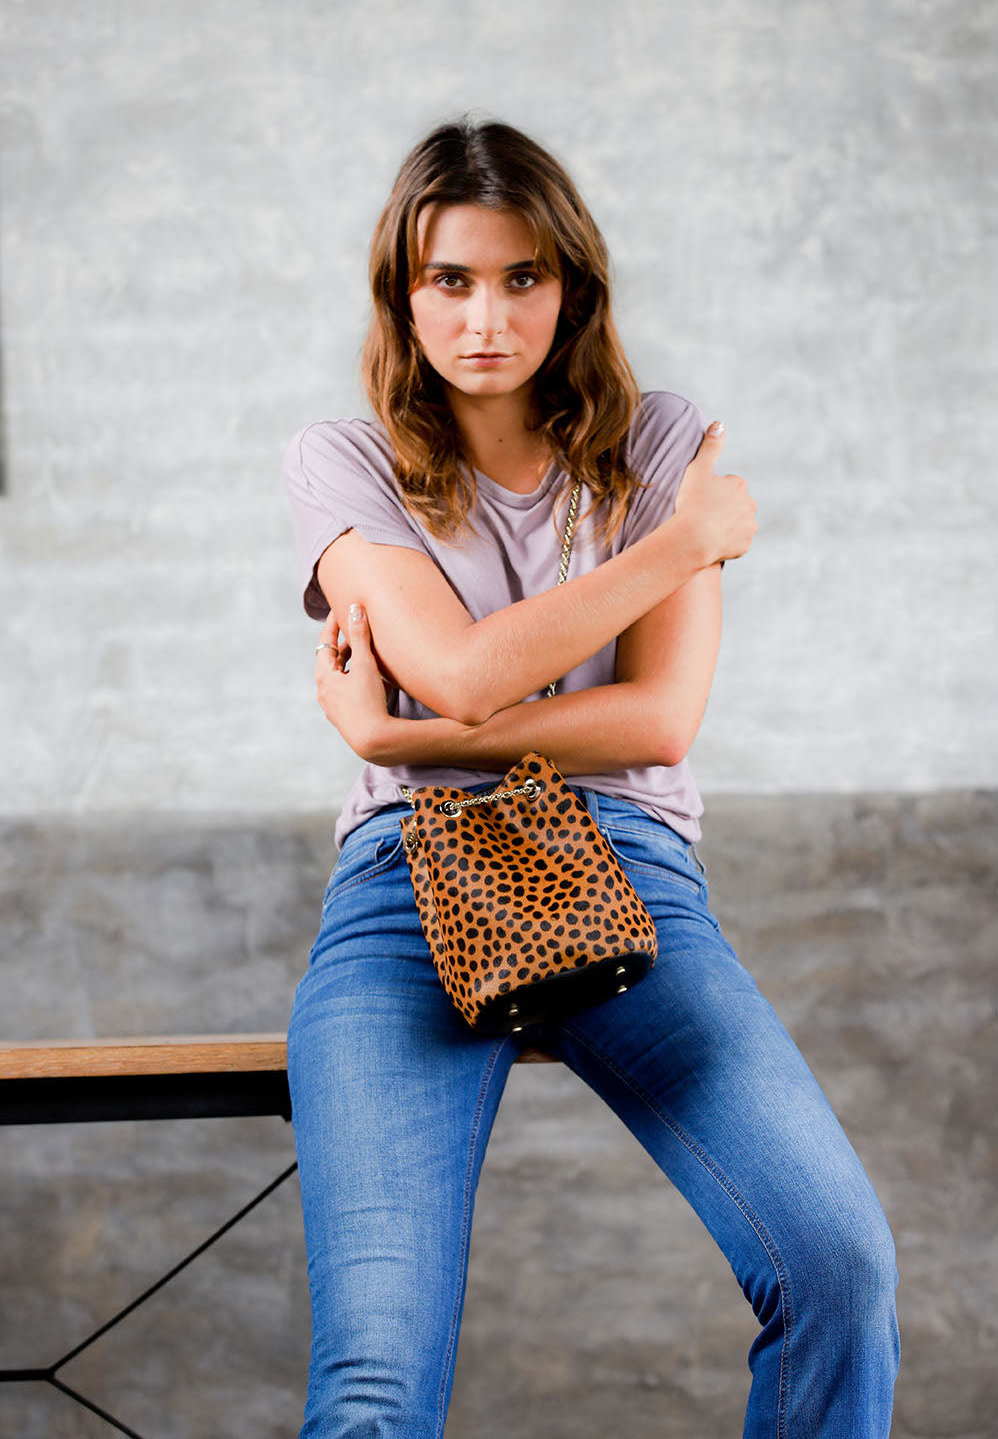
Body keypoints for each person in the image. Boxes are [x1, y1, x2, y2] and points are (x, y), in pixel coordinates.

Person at [282, 119, 899, 1439]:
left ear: (572, 289)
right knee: (374, 1381)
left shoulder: (659, 439)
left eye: (522, 278)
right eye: (449, 280)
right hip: (404, 888)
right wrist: (678, 549)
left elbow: (658, 720)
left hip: (628, 868)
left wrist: (395, 742)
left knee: (839, 1268)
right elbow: (460, 674)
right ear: (402, 294)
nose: (486, 318)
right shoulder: (343, 460)